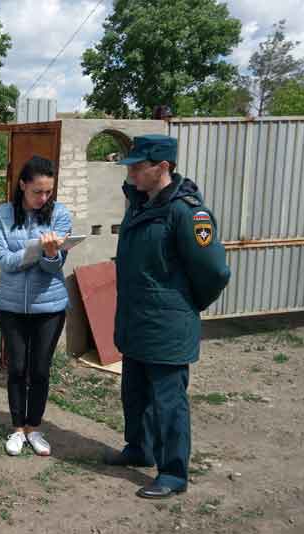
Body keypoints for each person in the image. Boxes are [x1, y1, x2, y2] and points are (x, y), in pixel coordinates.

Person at [105, 134, 231, 499]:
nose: (130, 172)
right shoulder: (140, 203)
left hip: (168, 325)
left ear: (162, 167)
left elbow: (215, 272)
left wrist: (185, 306)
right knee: (135, 393)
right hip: (136, 319)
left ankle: (173, 473)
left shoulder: (187, 211)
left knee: (168, 402)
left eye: (137, 166)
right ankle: (139, 448)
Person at [0, 155, 72, 457]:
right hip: (11, 307)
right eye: (37, 191)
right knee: (17, 368)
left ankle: (34, 428)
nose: (43, 198)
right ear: (23, 184)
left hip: (49, 307)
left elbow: (54, 268)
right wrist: (37, 253)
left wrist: (50, 256)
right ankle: (16, 429)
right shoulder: (2, 214)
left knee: (39, 370)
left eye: (48, 192)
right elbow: (2, 260)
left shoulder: (60, 215)